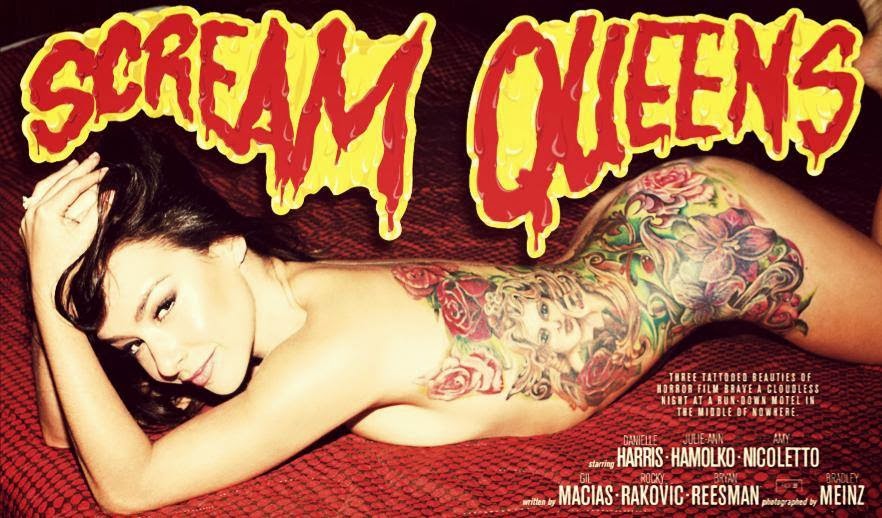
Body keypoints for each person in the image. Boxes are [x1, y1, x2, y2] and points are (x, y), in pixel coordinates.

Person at [20, 10, 882, 518]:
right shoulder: (275, 311)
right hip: (634, 233)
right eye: (130, 345)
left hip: (711, 238)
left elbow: (130, 486)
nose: (163, 359)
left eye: (163, 306)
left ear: (223, 242)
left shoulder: (333, 348)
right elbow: (65, 435)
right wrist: (53, 290)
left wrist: (45, 287)